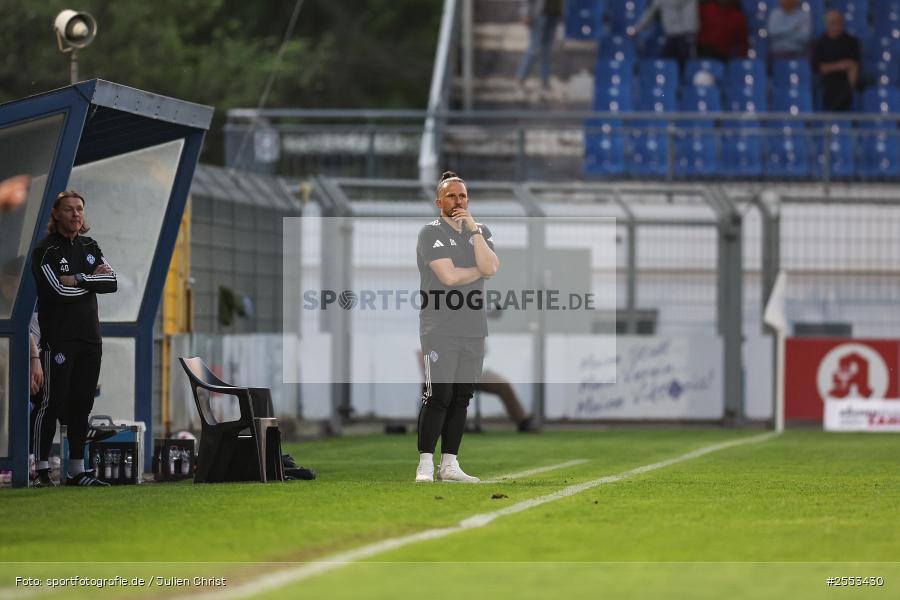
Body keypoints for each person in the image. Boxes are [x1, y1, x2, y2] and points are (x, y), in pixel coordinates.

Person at [415, 171, 499, 483]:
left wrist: (475, 232)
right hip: (439, 328)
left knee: (462, 396)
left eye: (462, 196)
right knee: (438, 394)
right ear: (439, 202)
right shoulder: (429, 233)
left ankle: (449, 465)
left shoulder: (480, 231)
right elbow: (448, 278)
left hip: (474, 328)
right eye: (451, 196)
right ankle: (425, 464)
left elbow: (490, 267)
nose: (458, 201)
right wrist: (480, 271)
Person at [30, 190, 117, 487]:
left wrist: (79, 278)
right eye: (69, 210)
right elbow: (58, 291)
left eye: (80, 209)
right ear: (56, 214)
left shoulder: (90, 245)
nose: (76, 214)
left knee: (82, 404)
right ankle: (40, 468)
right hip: (60, 339)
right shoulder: (45, 250)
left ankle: (77, 470)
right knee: (51, 402)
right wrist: (92, 282)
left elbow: (112, 281)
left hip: (90, 339)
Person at [812, 10, 860, 112]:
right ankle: (834, 114)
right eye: (832, 22)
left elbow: (853, 65)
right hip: (827, 80)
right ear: (826, 24)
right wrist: (840, 65)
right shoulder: (819, 43)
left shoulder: (851, 42)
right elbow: (818, 68)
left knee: (847, 86)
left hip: (846, 79)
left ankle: (834, 114)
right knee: (831, 86)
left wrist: (833, 67)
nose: (836, 25)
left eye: (838, 21)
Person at [628, 0, 699, 67]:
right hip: (677, 34)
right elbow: (649, 14)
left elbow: (649, 14)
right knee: (667, 62)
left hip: (683, 33)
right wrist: (636, 29)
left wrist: (636, 29)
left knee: (689, 63)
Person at [515, 0, 563, 93]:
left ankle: (545, 82)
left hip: (554, 14)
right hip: (539, 13)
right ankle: (520, 80)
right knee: (534, 49)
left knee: (547, 51)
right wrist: (525, 13)